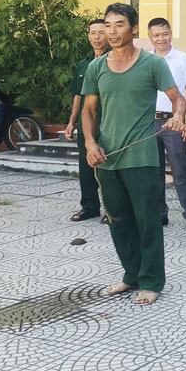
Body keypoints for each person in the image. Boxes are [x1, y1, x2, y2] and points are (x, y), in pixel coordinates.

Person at [81, 2, 186, 306]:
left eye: (119, 25)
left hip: (142, 157)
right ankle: (132, 275)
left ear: (134, 28)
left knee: (147, 221)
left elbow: (177, 99)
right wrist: (90, 144)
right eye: (108, 25)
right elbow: (89, 110)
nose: (112, 32)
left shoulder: (152, 64)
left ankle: (152, 281)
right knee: (118, 220)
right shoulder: (97, 67)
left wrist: (179, 117)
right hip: (107, 158)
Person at [147, 17, 186, 232]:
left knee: (180, 170)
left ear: (171, 33)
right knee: (154, 171)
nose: (161, 38)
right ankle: (160, 214)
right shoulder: (144, 60)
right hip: (149, 123)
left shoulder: (184, 59)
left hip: (175, 122)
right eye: (156, 35)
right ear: (150, 37)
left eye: (165, 34)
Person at [65, 19, 109, 222]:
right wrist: (71, 122)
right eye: (93, 33)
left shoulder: (114, 61)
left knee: (108, 169)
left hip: (109, 123)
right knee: (86, 167)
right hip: (86, 125)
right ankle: (89, 207)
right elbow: (78, 95)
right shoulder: (84, 64)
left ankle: (112, 210)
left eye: (101, 32)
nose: (97, 37)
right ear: (88, 36)